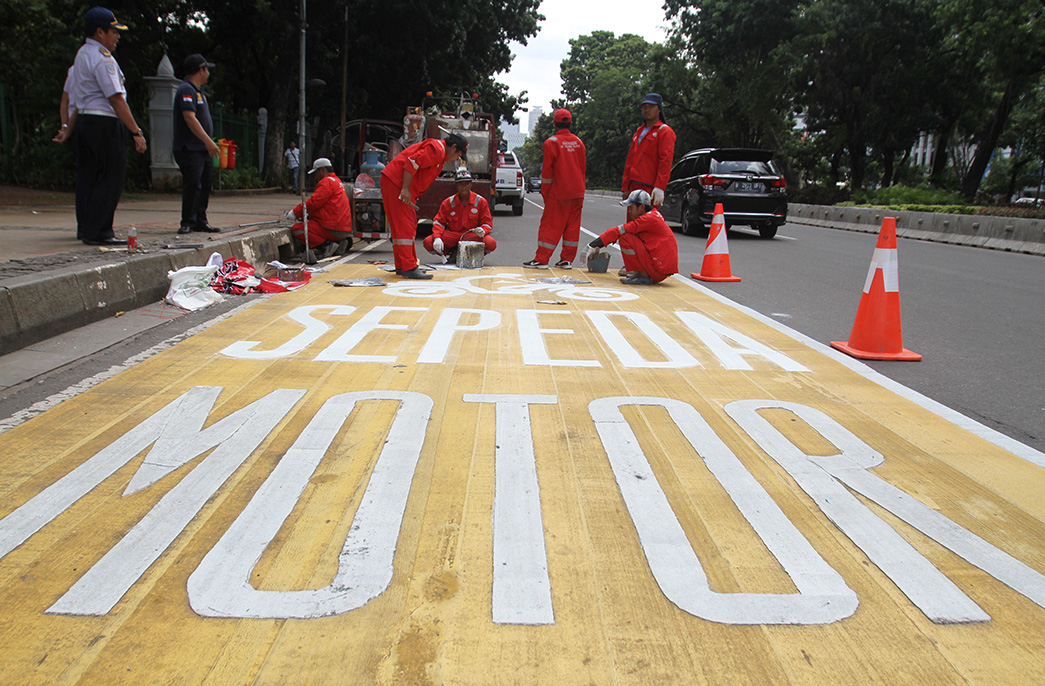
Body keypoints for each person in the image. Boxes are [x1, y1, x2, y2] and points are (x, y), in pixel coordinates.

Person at [69, 7, 147, 246]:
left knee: (89, 178)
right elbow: (115, 98)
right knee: (110, 177)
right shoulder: (103, 59)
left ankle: (87, 227)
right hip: (103, 122)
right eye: (114, 31)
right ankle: (101, 231)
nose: (117, 36)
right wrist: (136, 131)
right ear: (100, 32)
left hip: (85, 121)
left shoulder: (82, 55)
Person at [380, 133, 468, 279]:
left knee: (400, 227)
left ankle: (403, 265)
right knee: (406, 226)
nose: (456, 159)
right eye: (458, 155)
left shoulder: (438, 153)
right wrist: (406, 189)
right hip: (397, 184)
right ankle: (409, 267)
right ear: (453, 148)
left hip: (394, 182)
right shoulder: (437, 151)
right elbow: (412, 162)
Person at [523, 108, 586, 269]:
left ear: (554, 123)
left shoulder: (551, 143)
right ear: (570, 122)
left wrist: (546, 194)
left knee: (550, 225)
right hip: (577, 191)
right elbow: (582, 168)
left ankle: (542, 259)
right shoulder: (579, 143)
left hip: (559, 192)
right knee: (572, 226)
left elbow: (547, 173)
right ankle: (567, 260)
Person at [585, 189, 678, 285]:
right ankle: (642, 273)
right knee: (627, 235)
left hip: (658, 269)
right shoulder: (653, 215)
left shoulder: (647, 219)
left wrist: (594, 245)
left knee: (625, 238)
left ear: (642, 207)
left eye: (631, 208)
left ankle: (643, 275)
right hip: (661, 267)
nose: (629, 211)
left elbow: (619, 230)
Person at [173, 54, 221, 235]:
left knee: (205, 184)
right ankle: (187, 221)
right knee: (193, 184)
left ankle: (200, 219)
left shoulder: (198, 92)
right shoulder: (186, 89)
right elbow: (189, 118)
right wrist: (209, 142)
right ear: (201, 70)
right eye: (206, 69)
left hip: (202, 149)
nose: (208, 73)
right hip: (190, 148)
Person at [286, 157, 352, 262]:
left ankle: (327, 246)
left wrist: (295, 212)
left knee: (297, 229)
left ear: (322, 170)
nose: (316, 177)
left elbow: (314, 202)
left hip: (331, 227)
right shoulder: (337, 181)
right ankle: (337, 243)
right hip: (343, 227)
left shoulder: (326, 182)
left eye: (316, 173)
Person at [423, 168, 495, 261]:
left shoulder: (480, 201)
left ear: (471, 184)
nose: (463, 187)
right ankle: (452, 252)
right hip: (453, 236)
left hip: (471, 235)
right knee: (428, 242)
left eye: (466, 183)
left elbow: (487, 223)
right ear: (456, 185)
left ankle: (473, 254)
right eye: (460, 184)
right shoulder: (448, 202)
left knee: (490, 243)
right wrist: (437, 238)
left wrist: (482, 231)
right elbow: (438, 222)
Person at [621, 93, 676, 209]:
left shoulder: (664, 131)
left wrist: (660, 186)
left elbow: (666, 160)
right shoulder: (639, 131)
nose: (647, 110)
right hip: (634, 185)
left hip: (650, 187)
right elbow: (630, 160)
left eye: (651, 107)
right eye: (645, 107)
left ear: (659, 109)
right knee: (632, 224)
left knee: (647, 223)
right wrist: (625, 187)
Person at [53, 65, 84, 239]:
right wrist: (65, 126)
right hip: (84, 123)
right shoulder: (79, 70)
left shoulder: (74, 69)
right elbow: (68, 101)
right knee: (90, 177)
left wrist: (66, 127)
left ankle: (86, 226)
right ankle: (89, 226)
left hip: (77, 124)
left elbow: (65, 100)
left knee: (85, 177)